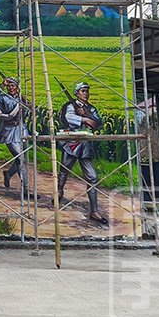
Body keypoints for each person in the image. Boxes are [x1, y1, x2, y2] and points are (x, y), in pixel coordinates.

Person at [57, 82, 108, 225]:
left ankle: (94, 211)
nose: (86, 94)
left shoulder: (91, 108)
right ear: (76, 93)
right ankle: (59, 191)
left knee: (92, 178)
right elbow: (68, 118)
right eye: (83, 91)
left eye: (87, 91)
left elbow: (98, 123)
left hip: (85, 145)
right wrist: (83, 119)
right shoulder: (70, 106)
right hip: (72, 143)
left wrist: (87, 115)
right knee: (64, 170)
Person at [0, 77, 31, 194]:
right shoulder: (3, 98)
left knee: (21, 159)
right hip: (8, 131)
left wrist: (27, 104)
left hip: (21, 129)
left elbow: (29, 108)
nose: (10, 88)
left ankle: (8, 174)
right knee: (20, 159)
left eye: (13, 85)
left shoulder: (22, 98)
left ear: (17, 87)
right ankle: (25, 189)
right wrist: (2, 85)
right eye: (8, 86)